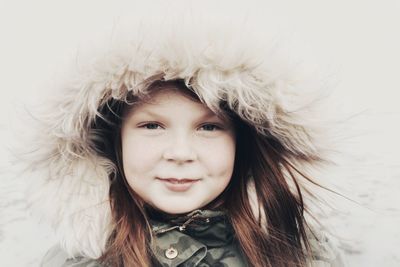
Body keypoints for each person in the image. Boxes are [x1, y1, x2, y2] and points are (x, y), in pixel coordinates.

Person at [24, 11, 345, 267]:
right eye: (152, 126)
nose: (180, 153)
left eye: (209, 128)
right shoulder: (75, 263)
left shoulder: (302, 255)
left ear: (243, 143)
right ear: (111, 141)